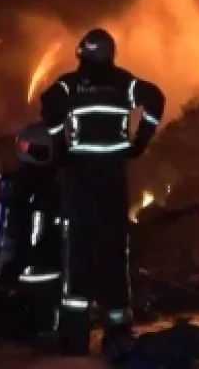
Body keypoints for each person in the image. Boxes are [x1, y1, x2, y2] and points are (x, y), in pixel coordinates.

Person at [39, 28, 165, 360]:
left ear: (81, 54)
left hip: (80, 181)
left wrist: (60, 144)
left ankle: (74, 337)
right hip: (112, 181)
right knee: (113, 254)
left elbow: (48, 104)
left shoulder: (70, 85)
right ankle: (117, 333)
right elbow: (156, 99)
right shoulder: (124, 83)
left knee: (77, 255)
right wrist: (141, 140)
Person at [0, 122, 64, 339]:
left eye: (24, 146)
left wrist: (4, 271)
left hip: (29, 278)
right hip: (53, 279)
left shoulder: (22, 187)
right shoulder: (58, 184)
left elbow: (11, 233)